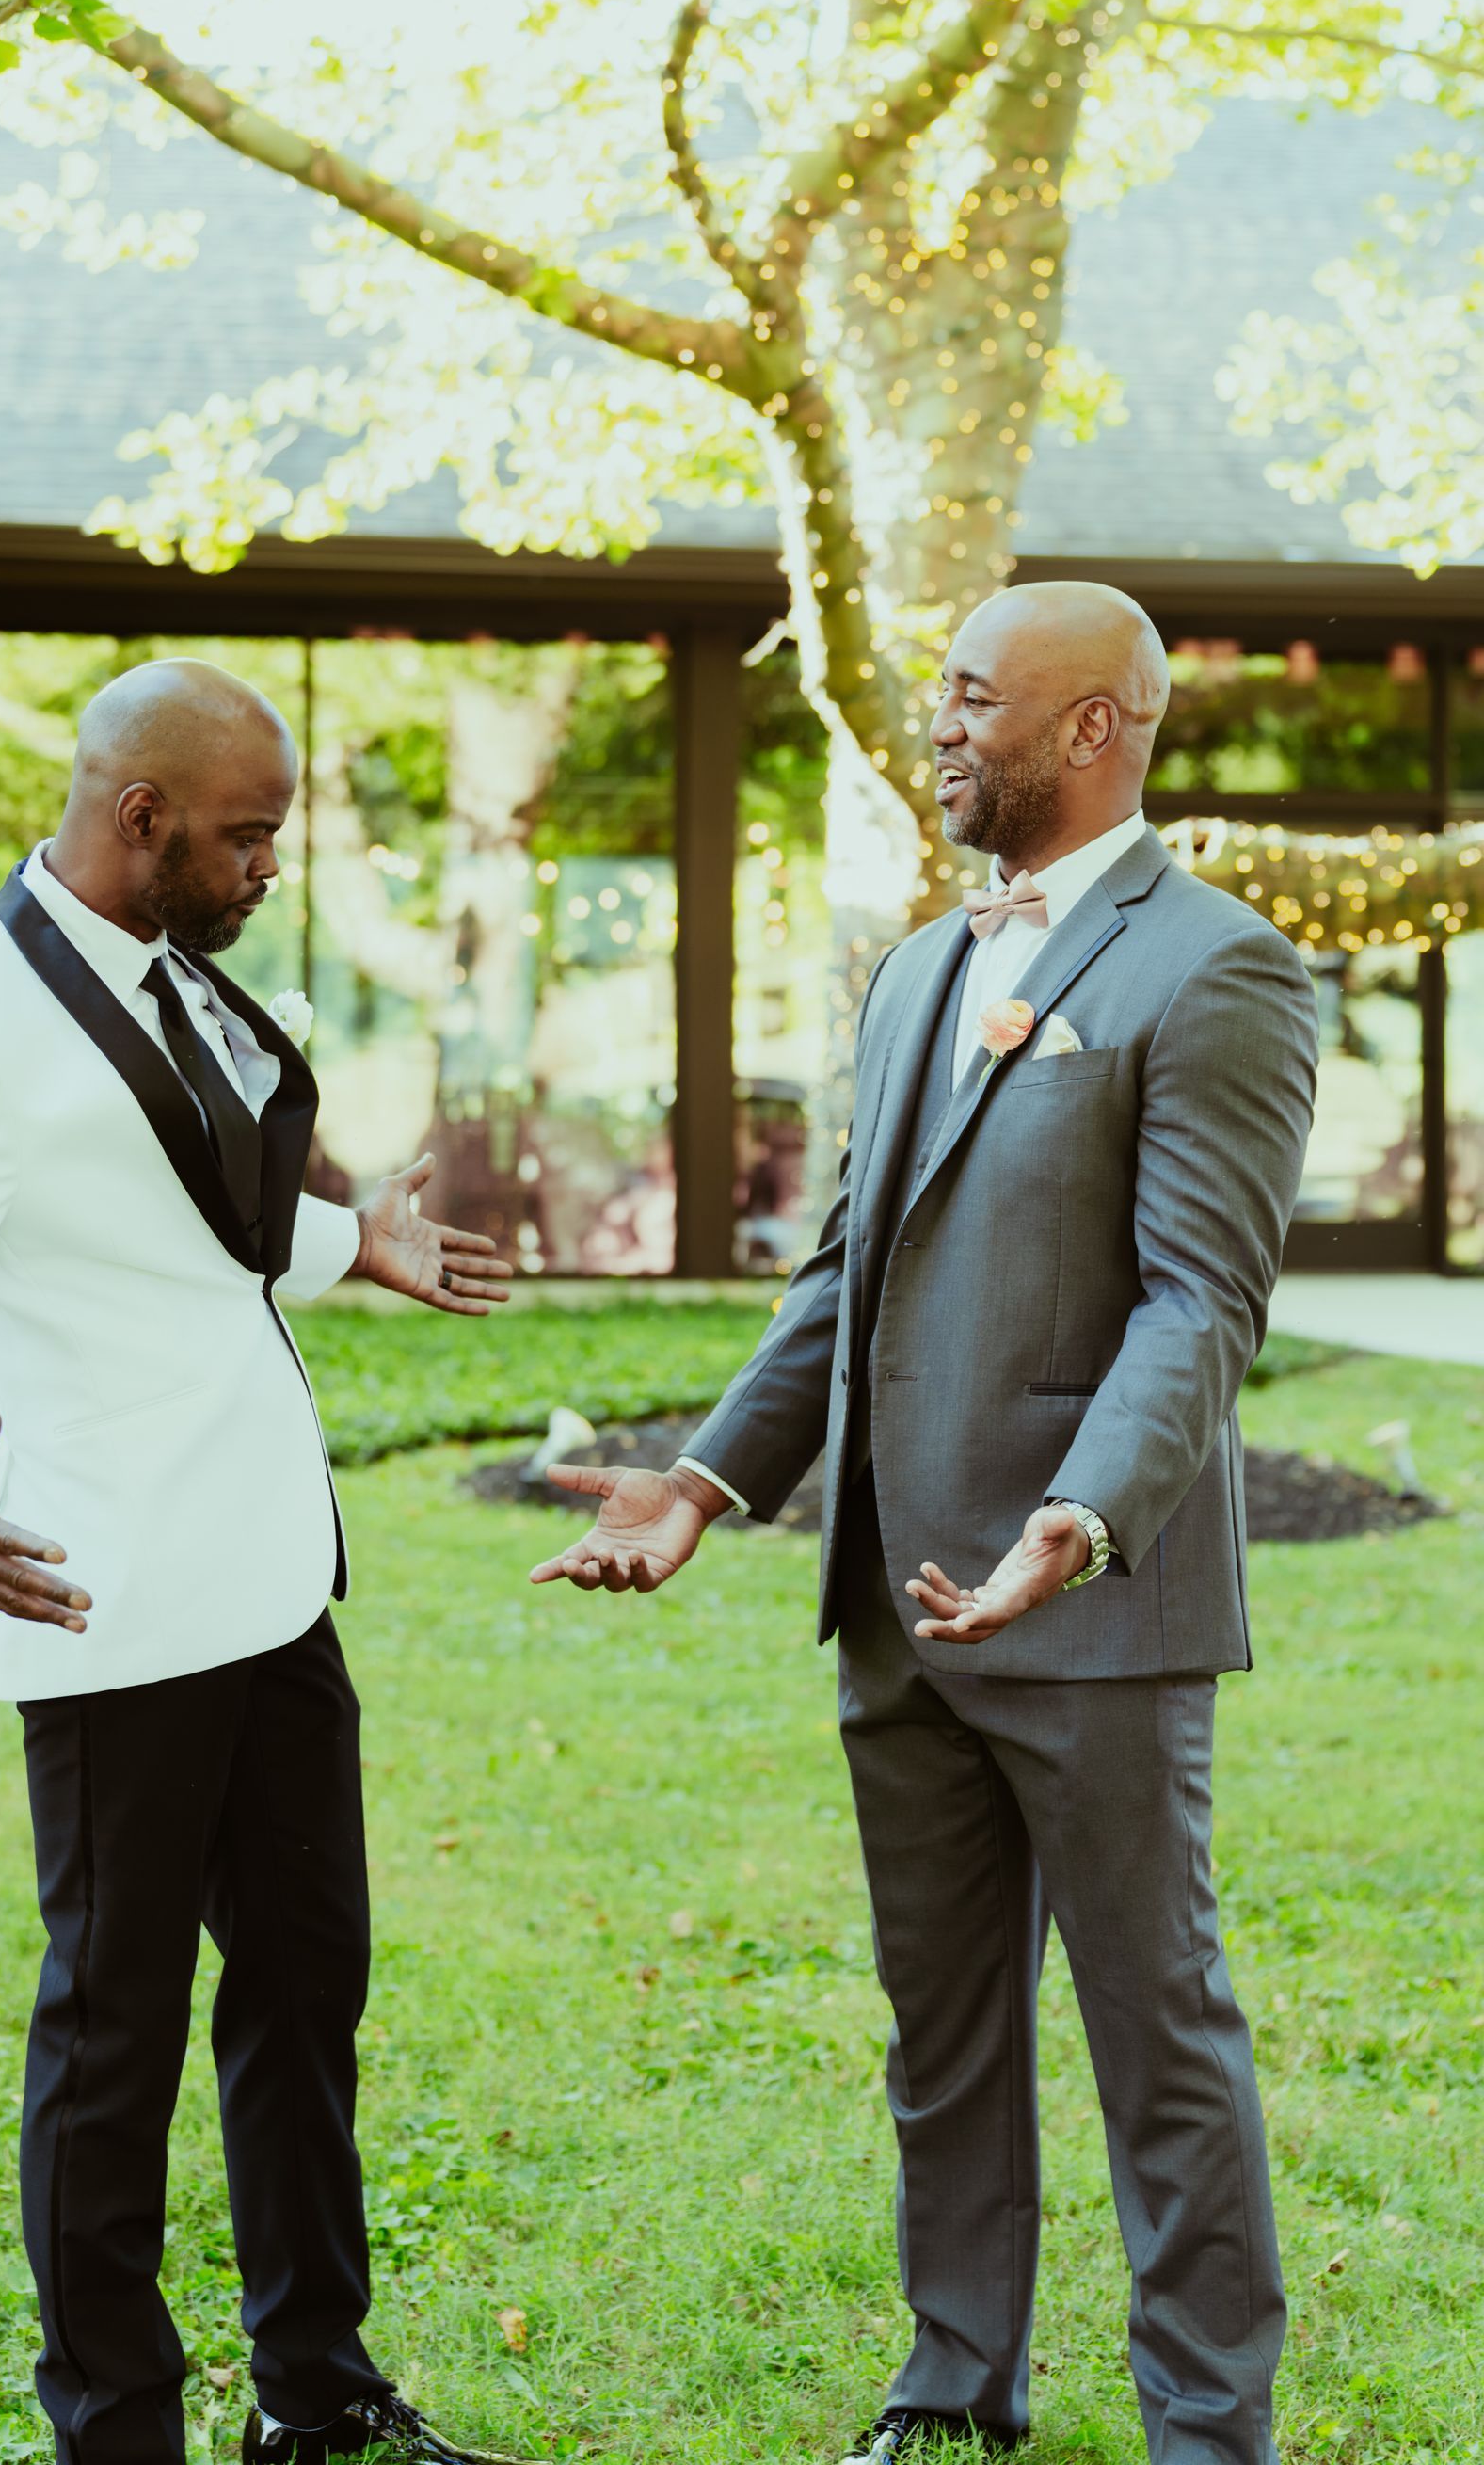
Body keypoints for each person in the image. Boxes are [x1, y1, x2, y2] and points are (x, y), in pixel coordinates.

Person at [533, 583, 1318, 2465]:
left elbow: (1197, 1301)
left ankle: (1210, 2427)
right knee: (940, 2022)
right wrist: (709, 1479)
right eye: (937, 696)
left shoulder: (1218, 968)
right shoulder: (915, 972)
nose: (939, 726)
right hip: (897, 1609)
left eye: (975, 698)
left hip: (1095, 1614)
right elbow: (839, 1284)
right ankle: (959, 2378)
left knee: (1161, 2030)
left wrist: (1081, 1517)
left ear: (1093, 731)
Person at [0, 659, 511, 2465]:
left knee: (303, 1993)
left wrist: (357, 1247)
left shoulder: (167, 974)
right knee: (111, 2048)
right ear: (139, 820)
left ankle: (318, 2394)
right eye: (250, 834)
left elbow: (181, 1206)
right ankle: (117, 2430)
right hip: (102, 1605)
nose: (273, 865)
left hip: (273, 1588)